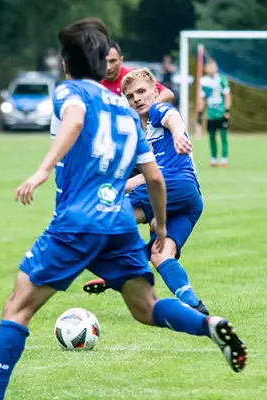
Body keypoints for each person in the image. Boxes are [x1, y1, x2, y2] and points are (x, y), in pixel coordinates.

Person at [0, 18, 247, 400]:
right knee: (146, 307)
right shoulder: (126, 113)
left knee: (17, 308)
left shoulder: (71, 92)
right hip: (119, 223)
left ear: (66, 64)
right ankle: (209, 325)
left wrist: (42, 170)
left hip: (77, 221)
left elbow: (75, 118)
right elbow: (155, 179)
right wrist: (160, 228)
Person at [82, 68, 209, 315]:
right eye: (130, 96)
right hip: (190, 199)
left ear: (155, 92)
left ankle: (118, 271)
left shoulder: (157, 111)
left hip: (173, 184)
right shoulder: (141, 133)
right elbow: (146, 174)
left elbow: (173, 117)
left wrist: (179, 134)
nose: (137, 98)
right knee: (160, 254)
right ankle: (198, 309)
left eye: (141, 92)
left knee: (111, 218)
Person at [101, 40, 175, 104]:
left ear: (121, 60)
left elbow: (167, 94)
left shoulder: (134, 75)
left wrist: (151, 109)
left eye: (112, 61)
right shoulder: (95, 81)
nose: (108, 67)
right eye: (104, 61)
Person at [198, 59, 231, 167]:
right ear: (206, 69)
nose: (212, 69)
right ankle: (213, 159)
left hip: (221, 113)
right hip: (210, 114)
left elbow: (227, 96)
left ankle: (224, 159)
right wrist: (200, 113)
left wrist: (227, 110)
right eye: (210, 67)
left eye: (214, 67)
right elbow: (202, 98)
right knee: (212, 137)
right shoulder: (203, 81)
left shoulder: (221, 79)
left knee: (223, 136)